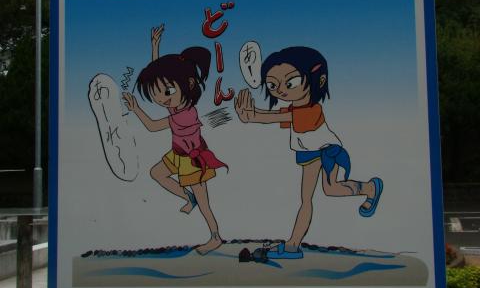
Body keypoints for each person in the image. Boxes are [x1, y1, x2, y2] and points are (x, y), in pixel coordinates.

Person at [234, 45, 383, 259]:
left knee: (318, 194)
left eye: (290, 82)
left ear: (318, 80)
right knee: (319, 193)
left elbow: (276, 117)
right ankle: (369, 188)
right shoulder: (294, 109)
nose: (280, 90)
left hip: (325, 151)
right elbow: (277, 115)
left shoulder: (311, 110)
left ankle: (294, 245)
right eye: (273, 85)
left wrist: (252, 116)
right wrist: (252, 114)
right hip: (309, 153)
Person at [123, 25, 227, 255]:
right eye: (156, 94)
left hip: (194, 161)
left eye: (166, 92)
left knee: (204, 203)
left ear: (188, 84)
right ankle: (188, 197)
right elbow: (159, 75)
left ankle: (215, 237)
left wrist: (136, 108)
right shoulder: (178, 102)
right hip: (178, 154)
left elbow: (152, 126)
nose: (161, 99)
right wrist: (155, 46)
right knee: (157, 173)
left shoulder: (183, 114)